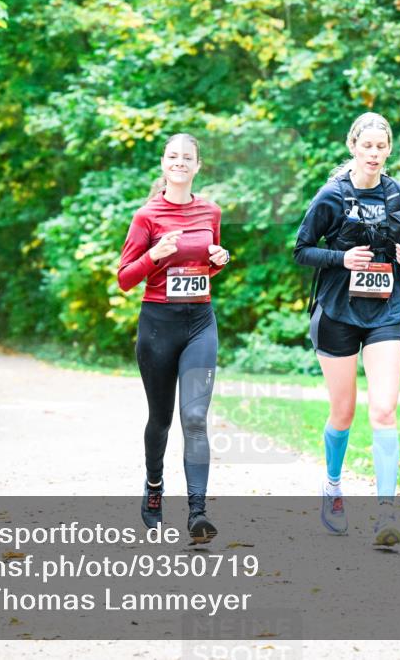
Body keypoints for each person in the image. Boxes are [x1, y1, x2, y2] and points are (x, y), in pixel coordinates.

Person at [293, 112, 400, 545]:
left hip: (385, 311)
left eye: (382, 147)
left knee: (384, 409)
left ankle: (386, 513)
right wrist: (341, 259)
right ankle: (332, 487)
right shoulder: (331, 195)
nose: (375, 154)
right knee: (343, 411)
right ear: (353, 147)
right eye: (367, 146)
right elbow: (301, 250)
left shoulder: (399, 194)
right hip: (338, 313)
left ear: (389, 150)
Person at [117, 133, 230, 543]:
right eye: (173, 156)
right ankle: (153, 490)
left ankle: (198, 513)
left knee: (195, 418)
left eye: (187, 157)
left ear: (198, 166)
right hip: (158, 326)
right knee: (161, 420)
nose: (180, 162)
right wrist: (154, 255)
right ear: (164, 164)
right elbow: (125, 278)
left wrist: (220, 260)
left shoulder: (210, 211)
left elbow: (208, 261)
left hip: (200, 322)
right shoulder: (146, 216)